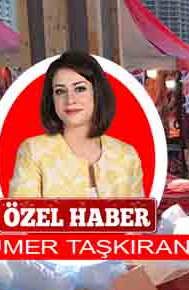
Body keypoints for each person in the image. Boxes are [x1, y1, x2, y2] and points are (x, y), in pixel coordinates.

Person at [8, 51, 143, 198]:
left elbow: (139, 217)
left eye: (80, 89)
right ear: (52, 99)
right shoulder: (34, 151)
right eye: (60, 91)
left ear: (97, 93)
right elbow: (22, 217)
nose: (70, 100)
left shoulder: (127, 155)